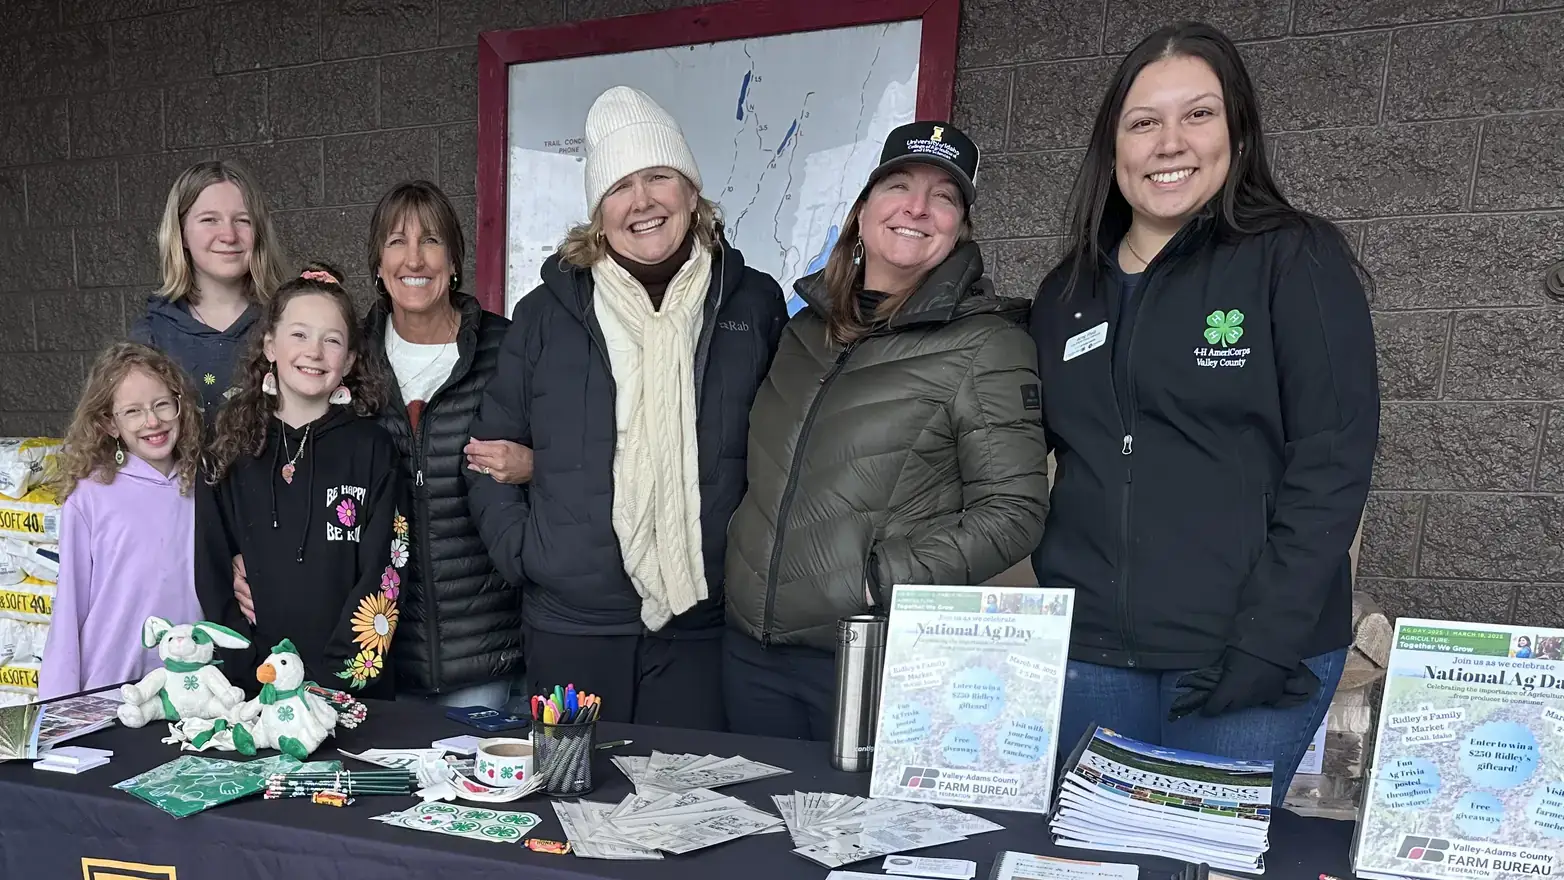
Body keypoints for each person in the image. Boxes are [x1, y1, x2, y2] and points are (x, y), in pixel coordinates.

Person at [1027, 21, 1379, 804]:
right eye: (1143, 122)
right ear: (1112, 147)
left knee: (1203, 862)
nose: (1168, 143)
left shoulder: (1295, 258)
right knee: (1092, 862)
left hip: (1246, 656)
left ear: (1238, 132)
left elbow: (1333, 458)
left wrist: (1268, 639)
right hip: (1089, 658)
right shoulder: (1065, 294)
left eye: (1199, 115)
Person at [467, 86, 787, 730]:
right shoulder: (544, 315)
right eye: (619, 186)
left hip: (702, 625)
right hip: (572, 627)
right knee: (567, 810)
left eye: (659, 177)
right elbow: (484, 454)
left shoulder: (750, 304)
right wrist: (529, 556)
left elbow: (785, 451)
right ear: (598, 212)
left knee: (689, 815)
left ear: (691, 194)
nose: (641, 201)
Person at [724, 121, 1051, 740]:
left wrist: (875, 584)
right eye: (897, 185)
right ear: (862, 211)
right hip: (748, 652)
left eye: (944, 197)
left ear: (960, 228)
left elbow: (1013, 511)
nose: (917, 208)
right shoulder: (801, 335)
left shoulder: (988, 345)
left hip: (867, 661)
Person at [196, 262, 405, 699]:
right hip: (253, 690)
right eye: (299, 334)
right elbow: (212, 568)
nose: (314, 351)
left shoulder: (371, 449)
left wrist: (336, 684)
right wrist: (247, 673)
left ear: (348, 360)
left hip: (348, 693)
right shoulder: (230, 442)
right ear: (270, 344)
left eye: (332, 340)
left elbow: (385, 572)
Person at [359, 179, 522, 709]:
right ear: (378, 265)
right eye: (396, 242)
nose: (414, 258)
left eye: (430, 240)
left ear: (454, 259)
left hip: (487, 650)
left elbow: (576, 457)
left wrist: (532, 463)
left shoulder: (507, 349)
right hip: (380, 653)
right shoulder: (349, 361)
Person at [37, 343, 205, 699]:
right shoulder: (91, 495)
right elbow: (69, 605)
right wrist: (58, 705)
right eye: (133, 411)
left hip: (190, 685)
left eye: (162, 404)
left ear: (180, 406)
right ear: (109, 423)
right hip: (111, 689)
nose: (152, 421)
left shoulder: (202, 485)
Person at [131, 160, 289, 426]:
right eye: (209, 220)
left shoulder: (288, 319)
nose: (228, 235)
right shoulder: (151, 334)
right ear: (181, 232)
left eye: (242, 220)